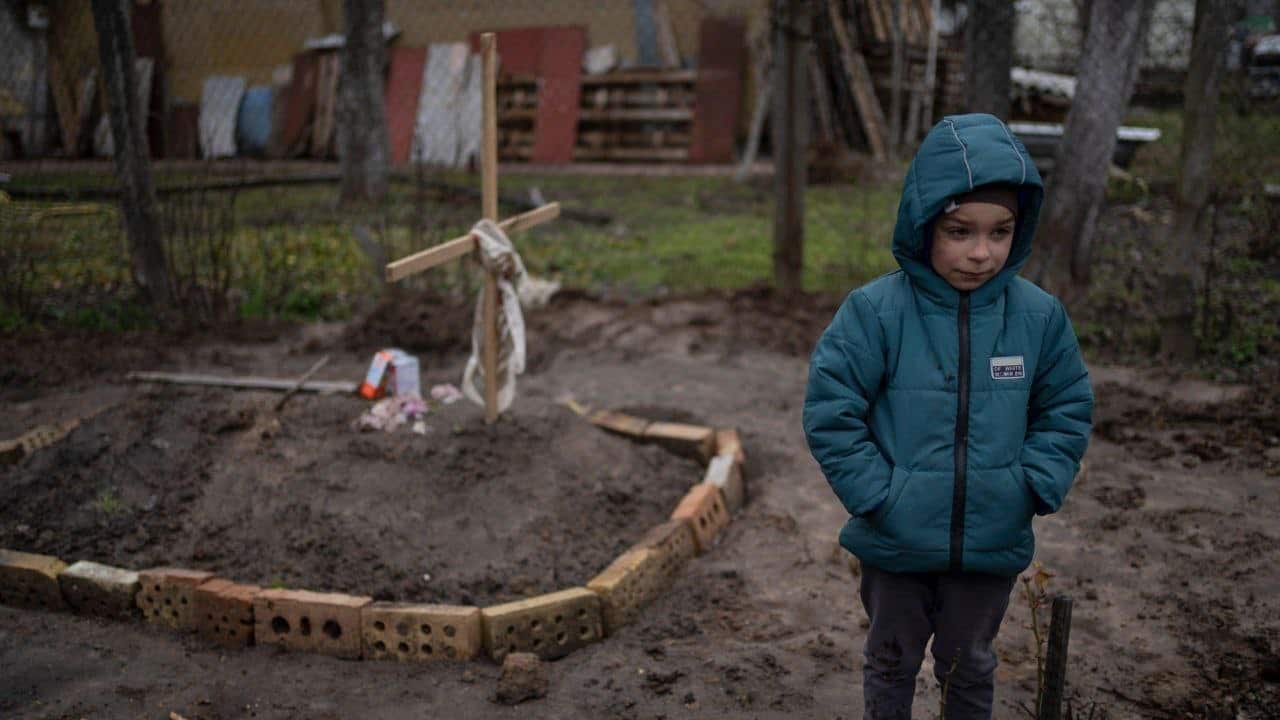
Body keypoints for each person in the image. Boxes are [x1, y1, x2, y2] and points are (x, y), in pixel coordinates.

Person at [802, 113, 1093, 719]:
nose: (981, 253)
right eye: (960, 231)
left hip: (991, 543)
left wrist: (1031, 485)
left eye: (1000, 232)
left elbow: (1066, 407)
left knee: (970, 666)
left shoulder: (1038, 318)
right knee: (890, 662)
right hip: (895, 545)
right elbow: (831, 410)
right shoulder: (876, 313)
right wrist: (880, 496)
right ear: (923, 222)